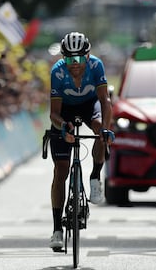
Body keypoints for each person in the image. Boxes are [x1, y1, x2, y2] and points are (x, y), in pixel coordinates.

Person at [48, 32, 115, 250]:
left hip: (89, 105)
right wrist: (64, 128)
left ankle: (95, 176)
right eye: (69, 59)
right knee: (61, 171)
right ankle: (57, 229)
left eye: (78, 59)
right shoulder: (57, 72)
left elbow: (105, 101)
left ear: (87, 56)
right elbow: (54, 114)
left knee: (99, 127)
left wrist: (105, 129)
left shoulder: (96, 66)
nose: (74, 64)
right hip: (64, 111)